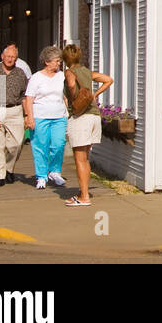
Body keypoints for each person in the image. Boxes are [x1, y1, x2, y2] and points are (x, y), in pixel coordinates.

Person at [62, 44, 111, 207]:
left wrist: (75, 97)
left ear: (65, 59)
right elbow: (108, 80)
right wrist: (93, 95)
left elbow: (70, 84)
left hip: (80, 118)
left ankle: (84, 197)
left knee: (80, 159)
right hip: (94, 117)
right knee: (85, 158)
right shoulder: (87, 72)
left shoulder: (69, 72)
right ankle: (84, 192)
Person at [23, 46, 68, 190]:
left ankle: (54, 171)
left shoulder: (62, 76)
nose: (58, 64)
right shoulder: (36, 78)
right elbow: (29, 99)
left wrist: (68, 111)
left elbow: (65, 95)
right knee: (40, 147)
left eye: (59, 61)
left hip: (59, 116)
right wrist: (29, 117)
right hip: (40, 116)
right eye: (56, 61)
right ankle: (41, 176)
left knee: (58, 144)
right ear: (47, 62)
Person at [0, 42, 30, 186]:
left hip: (15, 109)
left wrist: (27, 115)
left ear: (16, 59)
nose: (10, 59)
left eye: (13, 57)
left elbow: (25, 95)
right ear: (2, 56)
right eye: (7, 56)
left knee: (16, 144)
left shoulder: (20, 73)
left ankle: (9, 168)